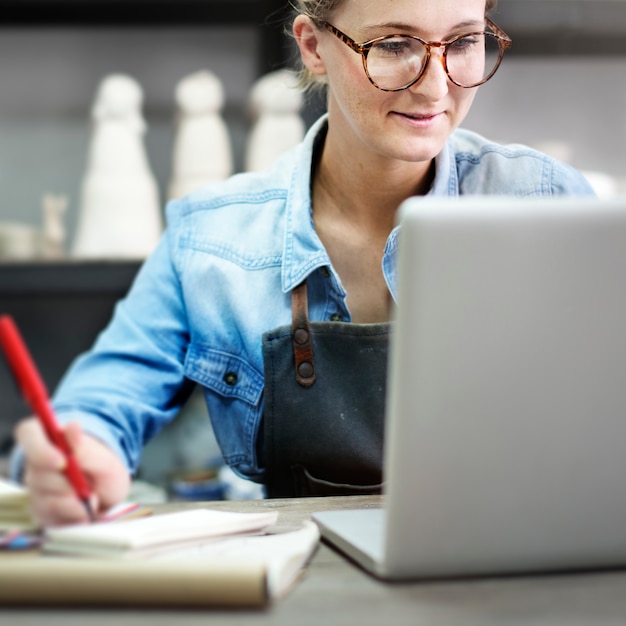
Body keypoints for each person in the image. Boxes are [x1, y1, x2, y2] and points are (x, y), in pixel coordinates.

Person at [12, 0, 595, 526]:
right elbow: (101, 401)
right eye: (395, 46)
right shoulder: (211, 237)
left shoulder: (547, 200)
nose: (436, 87)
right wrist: (77, 452)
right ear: (314, 46)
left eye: (464, 42)